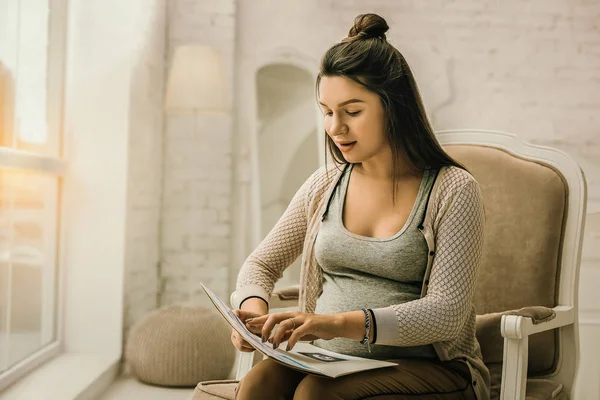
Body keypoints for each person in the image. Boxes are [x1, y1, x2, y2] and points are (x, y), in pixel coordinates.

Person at [229, 13, 491, 400]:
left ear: (394, 108)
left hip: (434, 369)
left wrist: (333, 323)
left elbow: (447, 313)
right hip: (328, 361)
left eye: (353, 112)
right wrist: (252, 310)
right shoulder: (325, 185)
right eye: (327, 111)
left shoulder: (453, 190)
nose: (336, 128)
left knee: (316, 394)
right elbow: (260, 265)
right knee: (258, 383)